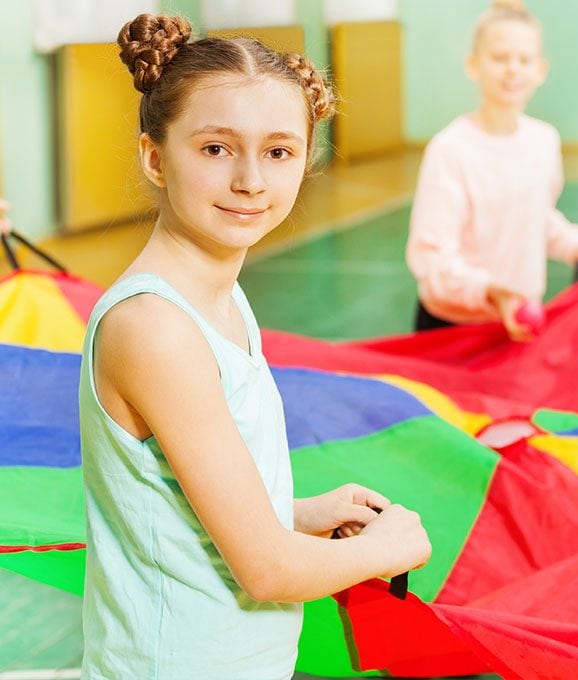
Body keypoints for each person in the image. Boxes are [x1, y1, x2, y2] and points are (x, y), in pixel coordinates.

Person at [79, 14, 430, 678]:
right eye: (215, 149)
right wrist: (391, 547)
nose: (250, 180)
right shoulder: (154, 328)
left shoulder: (221, 296)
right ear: (155, 157)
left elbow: (175, 502)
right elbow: (268, 570)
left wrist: (296, 514)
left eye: (279, 151)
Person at [406, 0, 578, 340]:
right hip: (454, 330)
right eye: (499, 58)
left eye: (524, 60)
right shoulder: (450, 150)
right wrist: (489, 292)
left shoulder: (544, 141)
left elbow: (538, 216)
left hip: (518, 324)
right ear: (474, 65)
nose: (513, 69)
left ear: (541, 69)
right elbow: (431, 258)